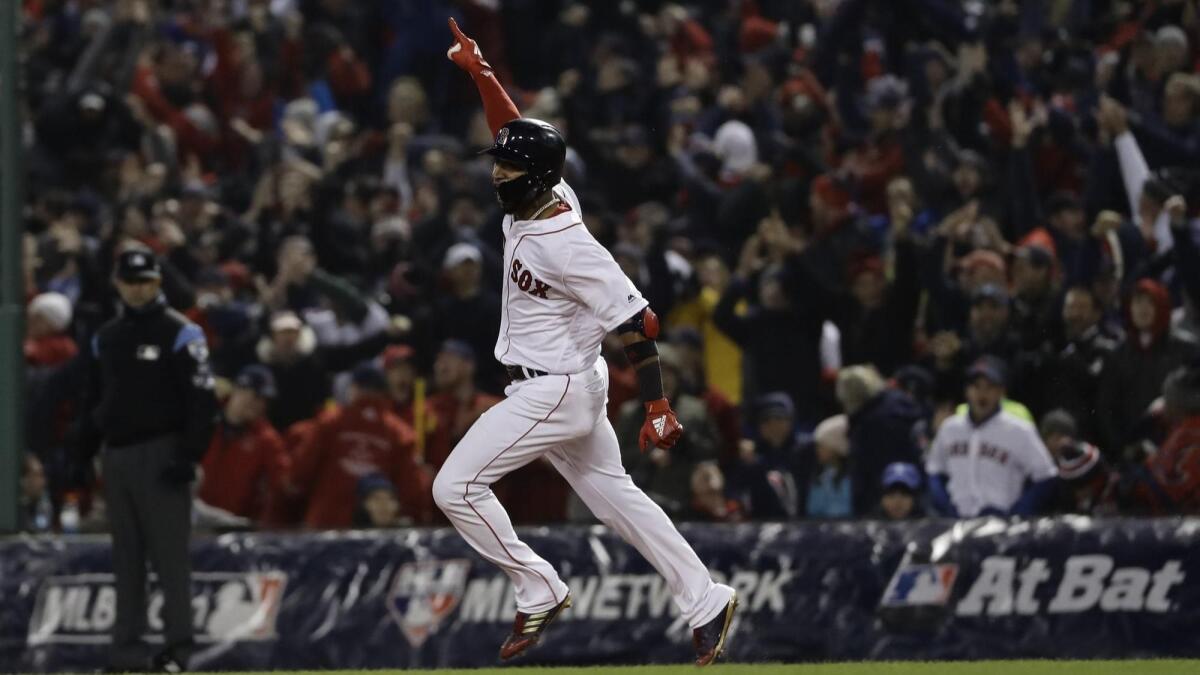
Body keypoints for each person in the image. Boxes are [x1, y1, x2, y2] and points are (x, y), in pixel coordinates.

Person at [434, 20, 736, 666]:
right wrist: (481, 70)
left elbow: (640, 322)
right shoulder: (546, 193)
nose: (498, 173)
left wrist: (657, 407)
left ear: (536, 175)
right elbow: (511, 124)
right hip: (562, 380)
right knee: (618, 498)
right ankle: (706, 598)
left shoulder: (568, 242)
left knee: (454, 486)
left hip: (556, 386)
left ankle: (538, 584)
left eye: (510, 166)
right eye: (501, 164)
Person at [76, 248, 218, 672]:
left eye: (147, 281)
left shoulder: (181, 332)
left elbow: (201, 399)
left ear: (158, 283)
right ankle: (128, 653)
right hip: (116, 455)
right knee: (127, 558)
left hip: (163, 452)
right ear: (118, 284)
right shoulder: (107, 337)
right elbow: (94, 399)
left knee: (170, 558)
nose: (139, 289)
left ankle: (179, 650)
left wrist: (189, 453)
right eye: (131, 281)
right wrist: (83, 451)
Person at [287, 364, 428, 529]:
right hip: (378, 531)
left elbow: (298, 475)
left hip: (326, 523)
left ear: (353, 388)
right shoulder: (400, 432)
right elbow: (413, 490)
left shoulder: (330, 422)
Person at [925, 357, 1058, 518]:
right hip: (957, 525)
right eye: (976, 387)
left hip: (1000, 527)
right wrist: (946, 507)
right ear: (967, 391)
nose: (982, 394)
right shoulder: (950, 428)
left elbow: (1046, 476)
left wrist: (1017, 513)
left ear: (1001, 391)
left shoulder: (1019, 430)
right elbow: (935, 472)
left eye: (989, 387)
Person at [197, 365, 288, 524]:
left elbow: (281, 485)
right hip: (194, 517)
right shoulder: (203, 419)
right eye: (256, 396)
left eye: (265, 400)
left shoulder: (267, 439)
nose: (260, 404)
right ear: (238, 391)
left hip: (237, 528)